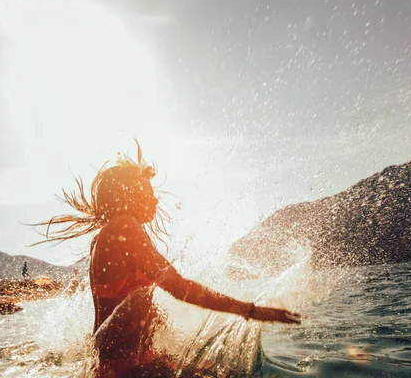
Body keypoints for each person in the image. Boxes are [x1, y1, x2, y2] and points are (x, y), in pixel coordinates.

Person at [35, 143, 301, 376]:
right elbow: (181, 288)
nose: (155, 199)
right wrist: (250, 310)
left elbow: (118, 308)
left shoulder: (106, 235)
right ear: (130, 194)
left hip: (119, 366)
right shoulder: (125, 228)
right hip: (129, 370)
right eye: (147, 191)